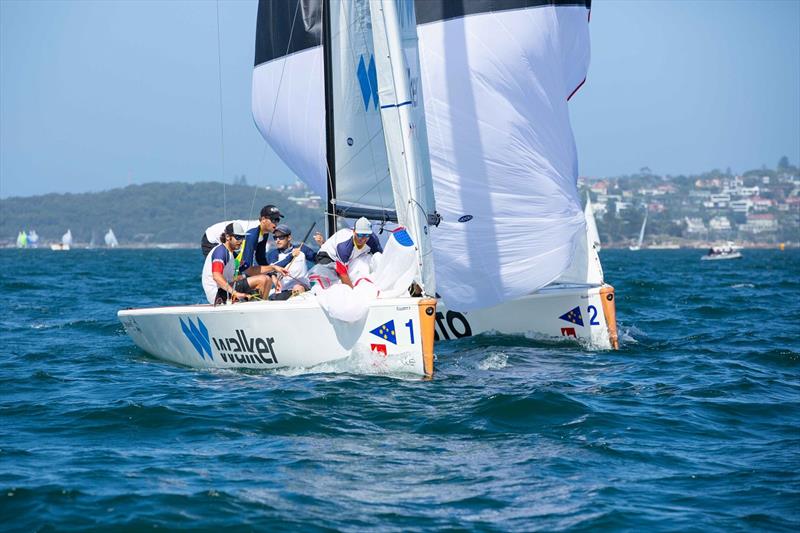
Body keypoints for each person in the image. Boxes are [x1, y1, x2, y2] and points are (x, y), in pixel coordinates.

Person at [201, 222, 286, 305]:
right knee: (263, 280)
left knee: (267, 279)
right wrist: (235, 293)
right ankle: (259, 310)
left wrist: (274, 268)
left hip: (226, 290)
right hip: (217, 294)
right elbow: (216, 276)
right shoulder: (221, 252)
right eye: (238, 237)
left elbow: (251, 270)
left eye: (242, 237)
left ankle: (259, 306)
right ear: (227, 237)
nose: (241, 241)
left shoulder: (232, 254)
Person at [316, 217, 383, 287]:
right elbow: (343, 274)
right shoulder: (344, 246)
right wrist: (353, 293)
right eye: (360, 235)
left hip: (351, 257)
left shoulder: (373, 240)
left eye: (366, 235)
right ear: (354, 232)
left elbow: (381, 259)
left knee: (376, 256)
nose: (363, 239)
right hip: (327, 257)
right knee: (333, 284)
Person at [266, 224, 317, 300]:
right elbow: (272, 269)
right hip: (284, 291)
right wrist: (290, 256)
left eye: (281, 237)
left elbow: (318, 259)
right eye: (275, 237)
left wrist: (322, 244)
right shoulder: (273, 254)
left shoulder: (301, 248)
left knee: (297, 288)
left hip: (302, 288)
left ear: (289, 237)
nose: (278, 240)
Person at [239, 204, 284, 275]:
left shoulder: (264, 232)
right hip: (216, 241)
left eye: (277, 220)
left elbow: (260, 258)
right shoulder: (252, 234)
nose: (275, 223)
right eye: (273, 220)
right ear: (263, 219)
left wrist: (271, 275)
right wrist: (273, 268)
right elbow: (247, 269)